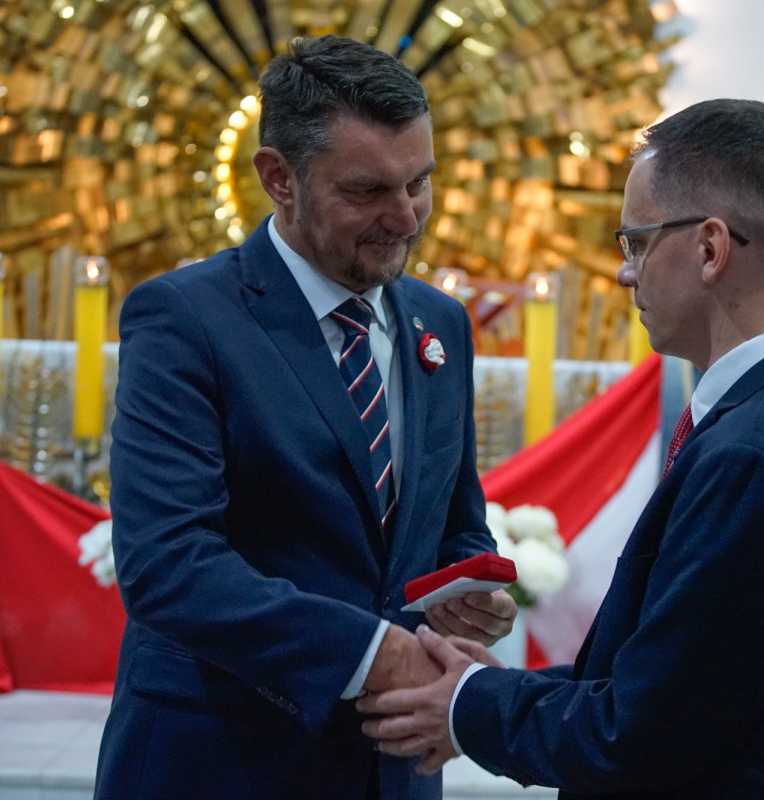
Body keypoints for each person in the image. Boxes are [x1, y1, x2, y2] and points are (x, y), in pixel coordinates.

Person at [360, 99, 764, 798]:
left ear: (710, 249)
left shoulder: (758, 455)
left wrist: (470, 706)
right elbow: (686, 687)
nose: (625, 272)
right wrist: (494, 691)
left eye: (637, 242)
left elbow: (640, 737)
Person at [93, 36, 516, 800]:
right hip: (225, 760)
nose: (405, 218)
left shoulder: (441, 323)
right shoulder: (186, 319)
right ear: (278, 177)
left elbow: (453, 522)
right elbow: (168, 566)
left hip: (394, 766)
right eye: (367, 190)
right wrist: (373, 653)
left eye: (420, 182)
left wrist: (465, 588)